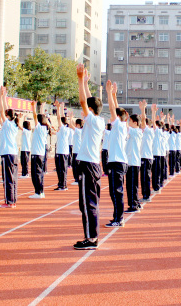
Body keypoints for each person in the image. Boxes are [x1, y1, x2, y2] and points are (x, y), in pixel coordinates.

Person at [73, 64, 105, 250]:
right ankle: (90, 236)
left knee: (88, 203)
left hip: (88, 164)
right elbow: (88, 101)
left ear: (91, 110)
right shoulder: (97, 120)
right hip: (90, 163)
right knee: (86, 202)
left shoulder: (92, 120)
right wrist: (85, 82)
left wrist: (79, 79)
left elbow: (84, 101)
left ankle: (91, 238)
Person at [104, 79, 129, 228]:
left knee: (116, 193)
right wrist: (114, 94)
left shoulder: (119, 125)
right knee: (115, 192)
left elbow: (114, 110)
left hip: (117, 162)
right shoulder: (121, 126)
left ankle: (119, 219)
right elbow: (117, 109)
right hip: (117, 162)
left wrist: (108, 93)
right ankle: (116, 217)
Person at [0, 87, 20, 208]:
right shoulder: (14, 124)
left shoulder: (8, 124)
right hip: (13, 154)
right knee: (13, 178)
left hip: (7, 154)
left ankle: (9, 201)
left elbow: (2, 111)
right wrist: (4, 97)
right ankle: (13, 200)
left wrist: (1, 97)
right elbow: (6, 111)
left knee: (8, 178)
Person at [124, 101, 145, 214]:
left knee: (131, 185)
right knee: (133, 185)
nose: (128, 123)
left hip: (133, 162)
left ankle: (133, 205)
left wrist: (123, 118)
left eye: (130, 121)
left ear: (135, 123)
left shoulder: (135, 131)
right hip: (133, 162)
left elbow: (125, 127)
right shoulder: (136, 131)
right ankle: (136, 203)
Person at [30, 100, 51, 199]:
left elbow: (35, 116)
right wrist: (42, 108)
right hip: (41, 154)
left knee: (36, 174)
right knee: (40, 173)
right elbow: (42, 118)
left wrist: (33, 107)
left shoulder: (39, 128)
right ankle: (40, 191)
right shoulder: (45, 128)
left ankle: (38, 192)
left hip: (37, 154)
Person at [54, 101, 71, 191]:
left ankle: (63, 185)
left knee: (62, 169)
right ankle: (61, 184)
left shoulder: (65, 129)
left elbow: (59, 118)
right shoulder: (62, 129)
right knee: (59, 169)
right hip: (59, 151)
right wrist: (61, 107)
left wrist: (58, 108)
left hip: (63, 152)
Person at [140, 103, 154, 203]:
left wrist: (143, 110)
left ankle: (146, 195)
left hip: (146, 157)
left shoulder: (148, 131)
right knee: (143, 178)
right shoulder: (146, 132)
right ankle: (145, 194)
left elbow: (144, 121)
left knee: (145, 178)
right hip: (144, 157)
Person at [71, 118, 83, 185]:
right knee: (75, 166)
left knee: (76, 166)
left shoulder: (79, 131)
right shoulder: (80, 131)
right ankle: (77, 179)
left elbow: (71, 126)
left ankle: (77, 179)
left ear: (78, 125)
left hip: (77, 151)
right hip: (76, 150)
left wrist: (70, 118)